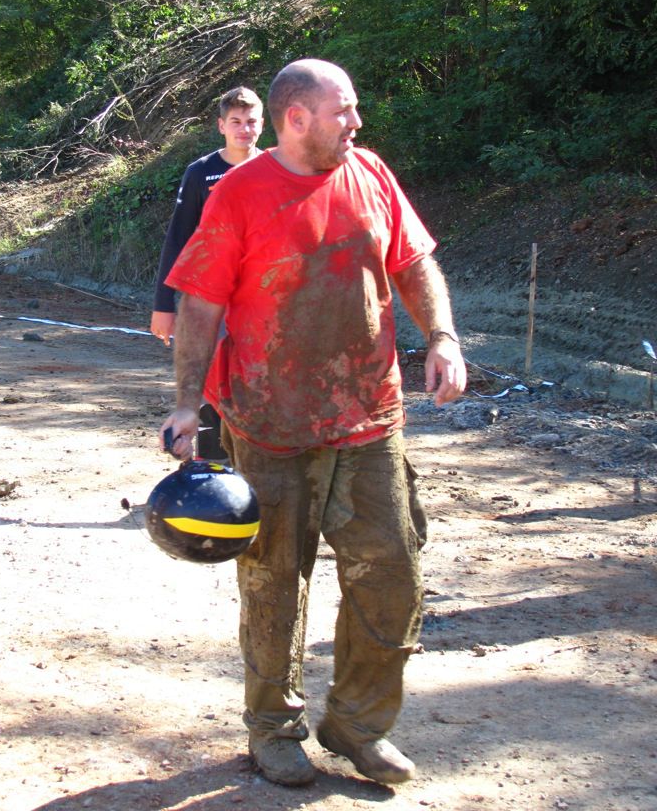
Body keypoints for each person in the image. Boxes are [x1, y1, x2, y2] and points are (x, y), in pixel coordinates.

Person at [159, 59, 466, 789]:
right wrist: (184, 402)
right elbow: (200, 301)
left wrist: (444, 337)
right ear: (297, 119)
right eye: (345, 111)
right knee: (272, 583)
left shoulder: (371, 173)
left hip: (368, 416)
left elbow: (413, 262)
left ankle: (359, 726)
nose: (356, 123)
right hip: (268, 422)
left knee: (392, 572)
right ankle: (273, 728)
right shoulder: (238, 193)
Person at [149, 86, 264, 345]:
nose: (244, 129)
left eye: (251, 122)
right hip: (211, 297)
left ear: (262, 125)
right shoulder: (200, 172)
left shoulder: (275, 170)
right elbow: (178, 238)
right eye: (236, 122)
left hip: (263, 298)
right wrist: (163, 305)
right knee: (213, 378)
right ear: (221, 126)